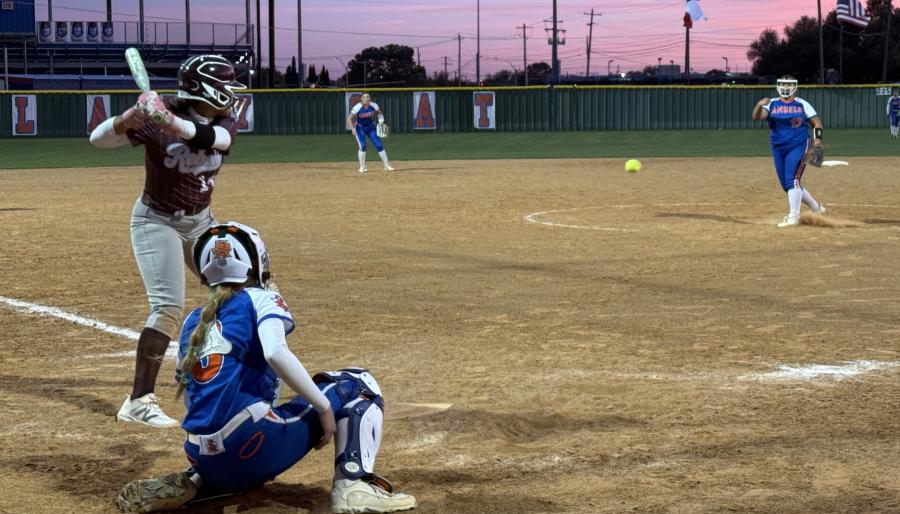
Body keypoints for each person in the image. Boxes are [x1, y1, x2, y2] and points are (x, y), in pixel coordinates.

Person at [115, 222, 417, 513]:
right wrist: (324, 408)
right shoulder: (261, 297)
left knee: (235, 422)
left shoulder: (194, 320)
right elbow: (275, 352)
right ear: (254, 261)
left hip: (200, 454)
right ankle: (355, 485)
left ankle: (201, 482)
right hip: (252, 444)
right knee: (358, 383)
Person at [89, 55, 246, 427]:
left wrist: (170, 121)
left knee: (240, 289)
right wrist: (131, 117)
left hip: (201, 224)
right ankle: (138, 401)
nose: (230, 93)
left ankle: (238, 381)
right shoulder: (154, 121)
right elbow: (97, 140)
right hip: (156, 221)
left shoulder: (222, 121)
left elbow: (214, 140)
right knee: (168, 307)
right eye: (224, 85)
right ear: (205, 88)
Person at [752, 75, 826, 227]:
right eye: (783, 84)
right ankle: (816, 208)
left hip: (799, 144)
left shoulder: (801, 103)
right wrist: (759, 104)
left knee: (792, 180)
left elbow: (816, 122)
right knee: (787, 185)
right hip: (778, 147)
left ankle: (794, 216)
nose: (785, 87)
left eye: (789, 84)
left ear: (795, 87)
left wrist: (817, 142)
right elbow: (757, 117)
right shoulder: (771, 103)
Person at [348, 93, 395, 173]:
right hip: (360, 128)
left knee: (379, 145)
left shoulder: (374, 105)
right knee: (362, 146)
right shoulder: (357, 107)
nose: (366, 98)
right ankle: (362, 167)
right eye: (364, 97)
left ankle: (387, 165)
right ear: (361, 99)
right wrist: (352, 128)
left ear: (370, 99)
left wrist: (381, 122)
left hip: (371, 128)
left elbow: (380, 114)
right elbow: (349, 118)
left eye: (367, 97)